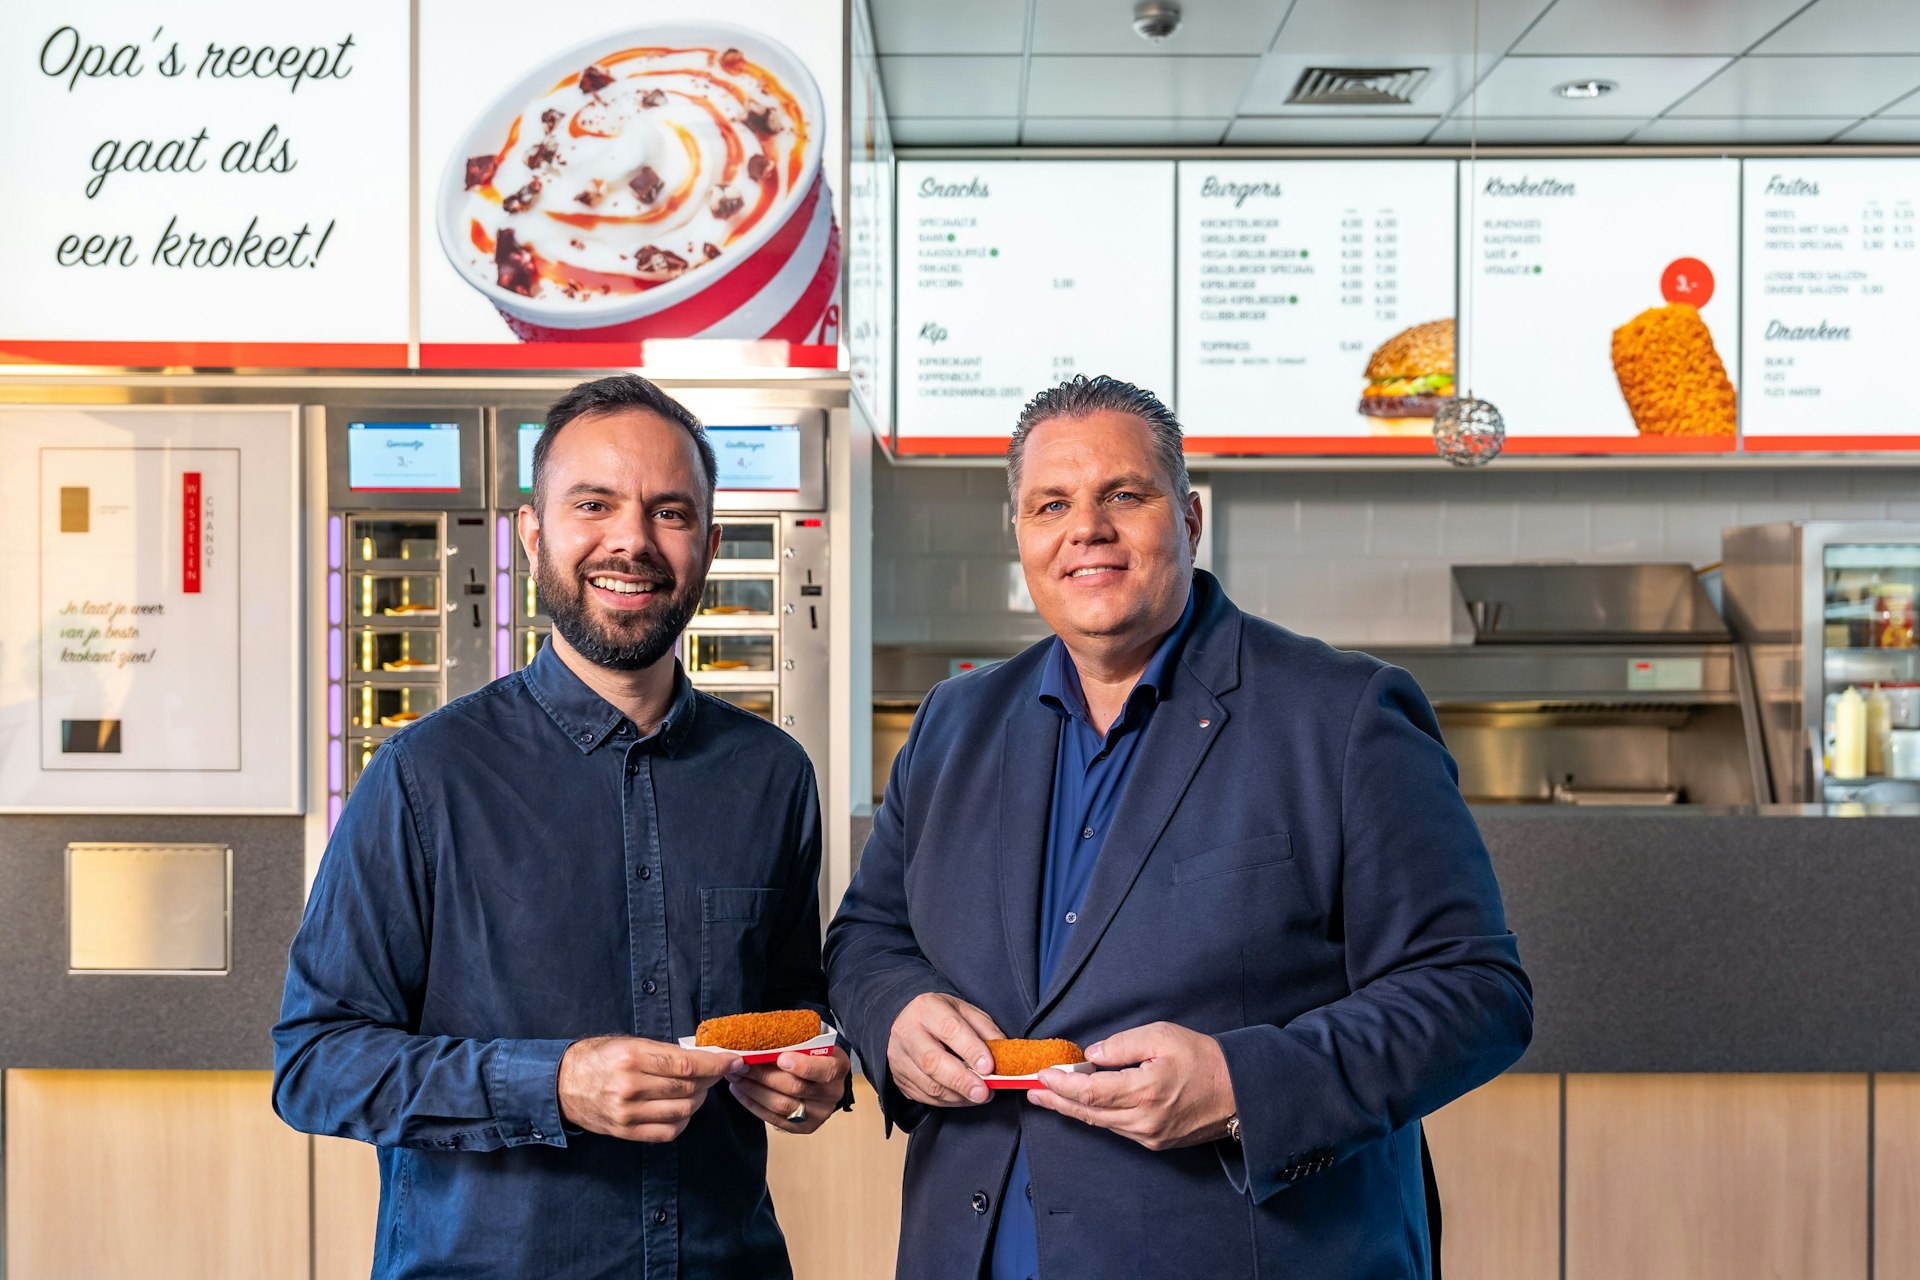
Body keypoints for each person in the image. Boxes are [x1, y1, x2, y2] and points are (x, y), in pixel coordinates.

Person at [825, 374, 1532, 1278]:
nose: (1087, 528)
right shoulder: (954, 723)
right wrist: (893, 1017)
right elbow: (867, 937)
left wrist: (1248, 1086)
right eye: (1052, 504)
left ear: (1190, 517)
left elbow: (1476, 992)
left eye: (1124, 494)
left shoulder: (1342, 714)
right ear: (1022, 536)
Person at [274, 374, 851, 1279]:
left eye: (670, 512)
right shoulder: (425, 777)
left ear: (706, 541)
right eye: (595, 504)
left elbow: (792, 1005)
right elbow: (315, 1060)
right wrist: (551, 1084)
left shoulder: (771, 776)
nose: (632, 541)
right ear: (533, 533)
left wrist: (816, 1068)